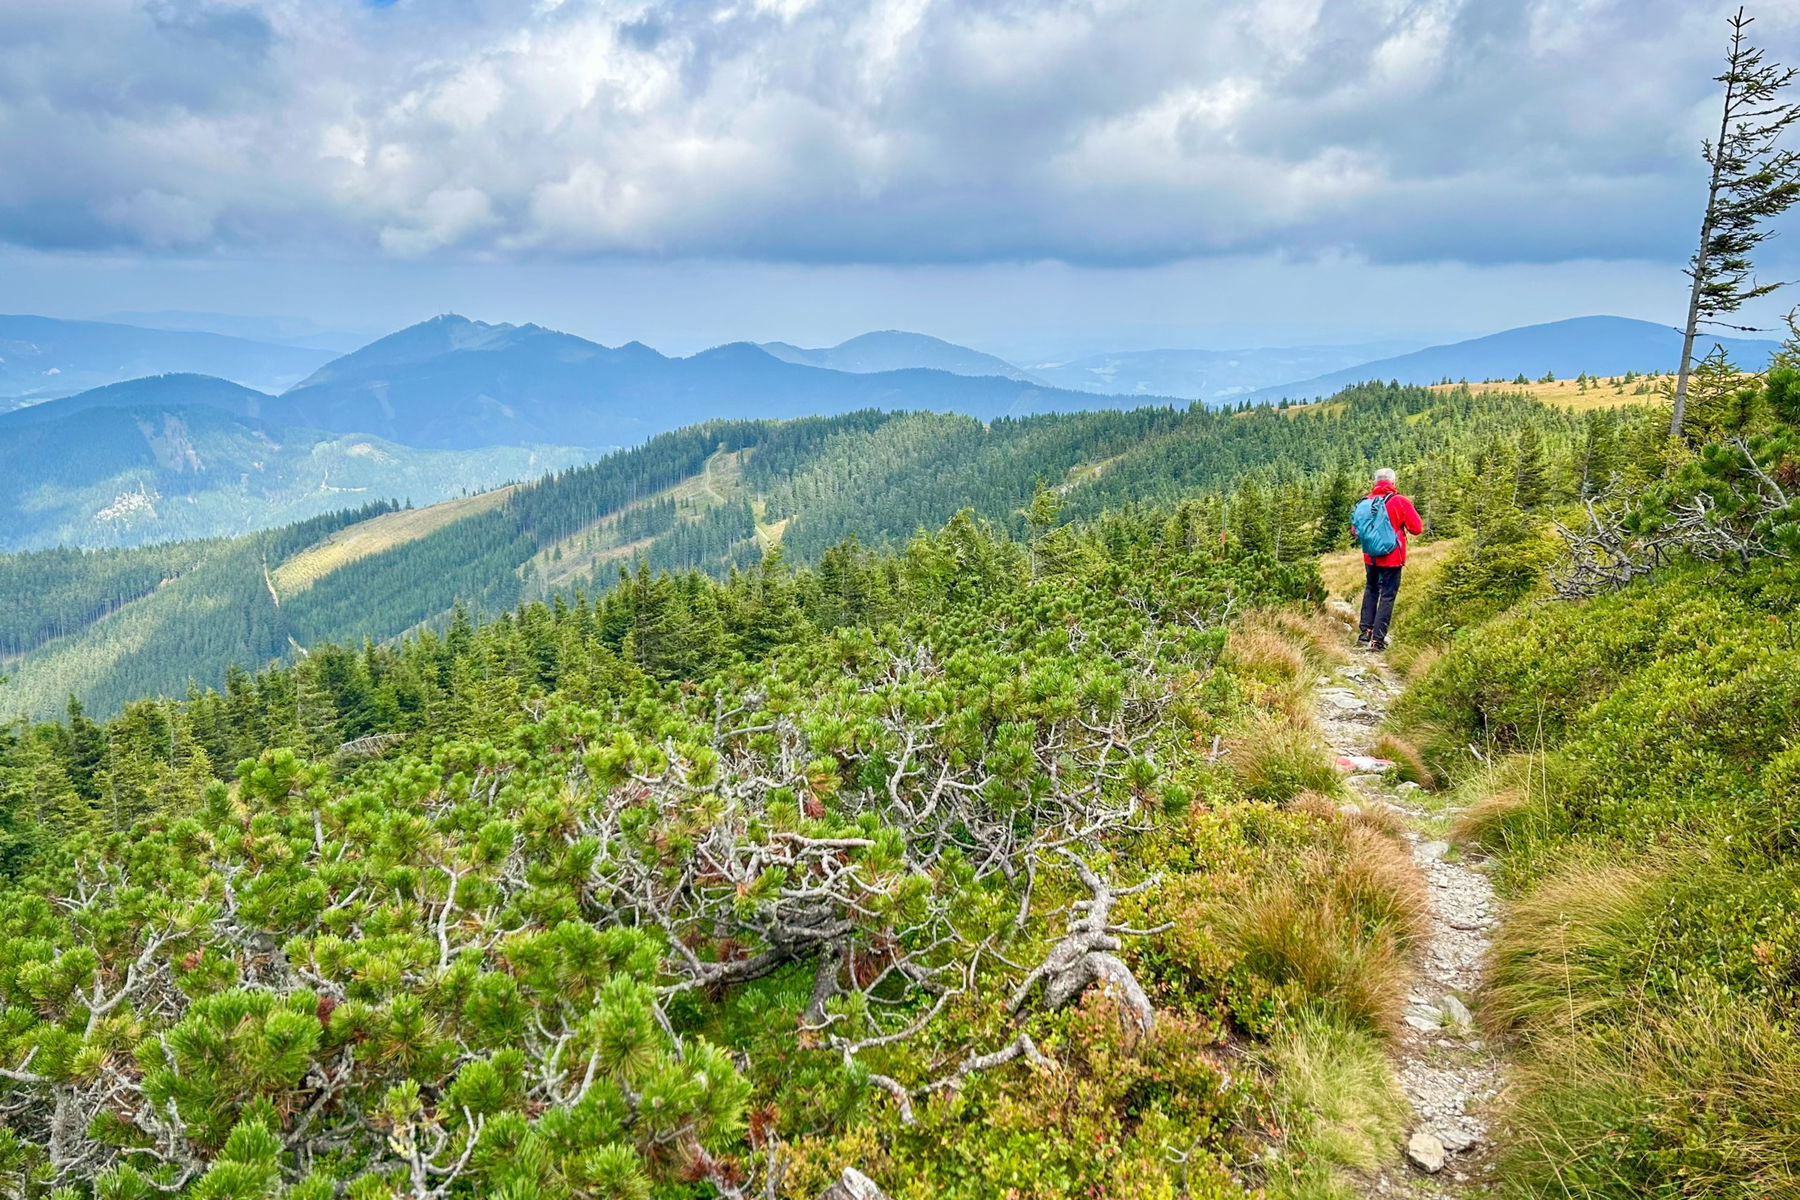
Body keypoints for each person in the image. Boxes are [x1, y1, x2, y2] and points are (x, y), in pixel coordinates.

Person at [1355, 468, 1422, 651]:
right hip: (1392, 558)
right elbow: (1417, 528)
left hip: (1370, 557)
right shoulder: (1400, 501)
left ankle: (1365, 631)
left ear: (1375, 482)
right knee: (1387, 595)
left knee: (1370, 590)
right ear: (1393, 482)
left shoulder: (1366, 502)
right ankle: (1378, 640)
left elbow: (1355, 530)